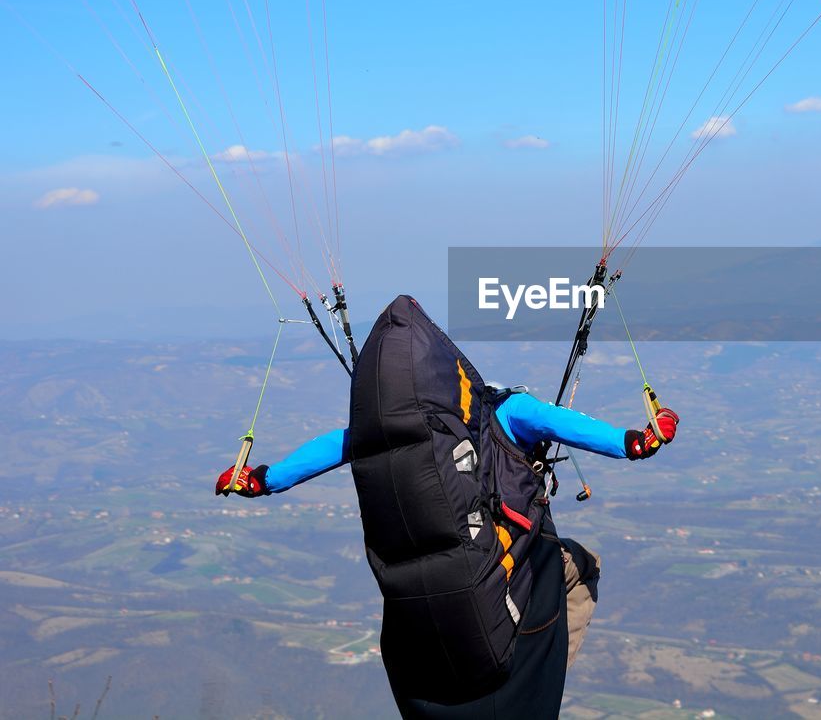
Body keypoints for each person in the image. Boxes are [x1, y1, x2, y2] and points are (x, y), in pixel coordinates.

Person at [216, 294, 678, 718]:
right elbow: (565, 424)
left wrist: (259, 479)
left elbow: (329, 449)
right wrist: (635, 441)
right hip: (500, 575)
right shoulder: (509, 411)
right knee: (582, 568)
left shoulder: (392, 431)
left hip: (419, 608)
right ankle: (549, 663)